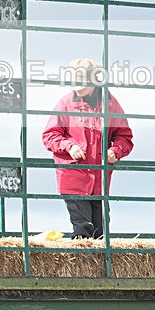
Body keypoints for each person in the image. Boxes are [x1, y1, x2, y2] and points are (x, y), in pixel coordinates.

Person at [42, 58, 133, 239]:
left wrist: (115, 151)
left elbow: (125, 137)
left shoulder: (110, 104)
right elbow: (49, 136)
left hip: (100, 177)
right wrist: (68, 146)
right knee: (83, 229)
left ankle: (100, 266)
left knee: (100, 231)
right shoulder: (65, 103)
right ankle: (80, 259)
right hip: (73, 175)